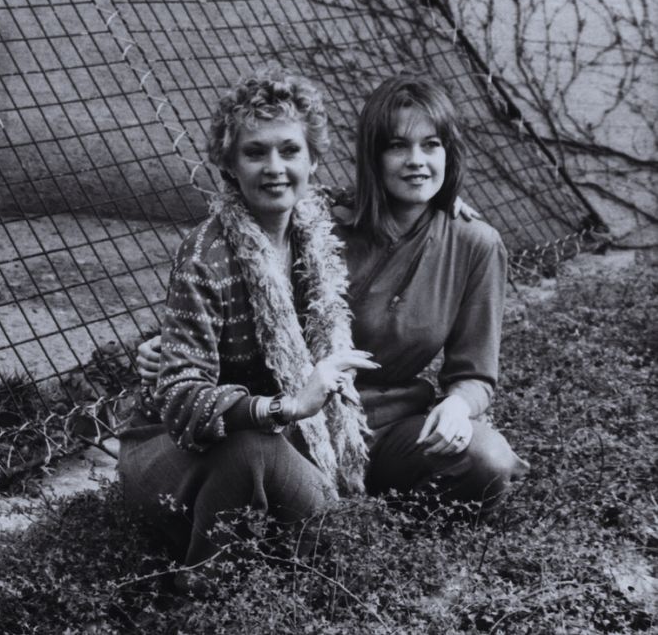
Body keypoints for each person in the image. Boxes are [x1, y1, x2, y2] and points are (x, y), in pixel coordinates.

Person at [135, 75, 528, 547]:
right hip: (294, 421)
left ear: (450, 152)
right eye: (397, 146)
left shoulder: (475, 244)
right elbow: (238, 294)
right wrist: (170, 347)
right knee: (307, 513)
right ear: (371, 156)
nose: (416, 161)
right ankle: (313, 532)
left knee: (486, 460)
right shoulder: (320, 223)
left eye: (432, 145)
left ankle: (392, 536)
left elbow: (475, 372)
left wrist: (459, 407)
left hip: (384, 423)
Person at [118, 72, 377, 570]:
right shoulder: (205, 255)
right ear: (229, 165)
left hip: (273, 439)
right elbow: (181, 398)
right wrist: (289, 405)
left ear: (313, 159)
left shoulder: (313, 228)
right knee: (255, 452)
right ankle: (201, 590)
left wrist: (445, 200)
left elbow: (386, 195)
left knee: (333, 538)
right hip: (178, 450)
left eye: (290, 150)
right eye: (255, 153)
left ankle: (271, 564)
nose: (275, 168)